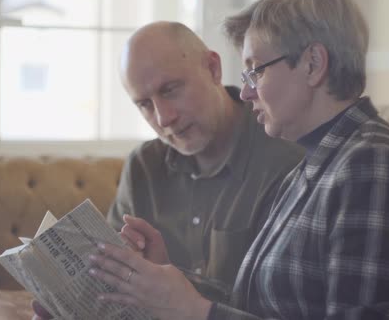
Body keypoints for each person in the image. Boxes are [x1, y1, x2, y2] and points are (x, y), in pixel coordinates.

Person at [87, 0, 389, 319]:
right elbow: (255, 304)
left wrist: (195, 311)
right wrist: (166, 275)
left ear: (313, 64)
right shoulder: (315, 166)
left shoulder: (374, 166)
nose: (246, 92)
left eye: (256, 70)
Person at [31, 21, 303, 319]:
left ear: (213, 68)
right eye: (145, 104)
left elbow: (280, 306)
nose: (164, 118)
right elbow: (109, 282)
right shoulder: (142, 168)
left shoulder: (286, 159)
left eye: (170, 90)